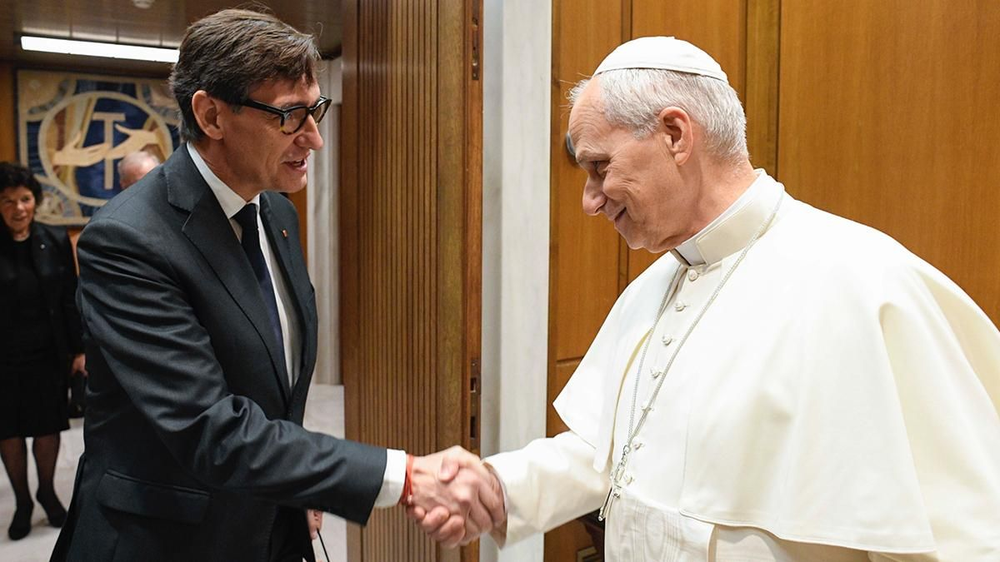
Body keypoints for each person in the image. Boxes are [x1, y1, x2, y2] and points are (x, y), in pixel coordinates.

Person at [410, 37, 1000, 560]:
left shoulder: (867, 284)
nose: (590, 200)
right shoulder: (656, 284)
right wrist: (496, 487)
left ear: (674, 134)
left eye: (599, 166)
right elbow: (611, 451)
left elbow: (961, 533)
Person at [51, 9, 501, 562]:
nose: (314, 138)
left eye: (316, 110)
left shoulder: (277, 216)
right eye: (290, 117)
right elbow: (208, 428)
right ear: (212, 115)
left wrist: (301, 481)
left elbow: (274, 388)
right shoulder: (126, 241)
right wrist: (402, 476)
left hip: (269, 521)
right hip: (168, 539)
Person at [0, 162, 84, 540]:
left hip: (48, 355)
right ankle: (22, 501)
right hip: (3, 360)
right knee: (9, 433)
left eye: (25, 199)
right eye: (7, 201)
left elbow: (69, 298)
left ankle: (47, 493)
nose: (18, 208)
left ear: (35, 201)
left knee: (47, 428)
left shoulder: (54, 238)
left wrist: (79, 349)